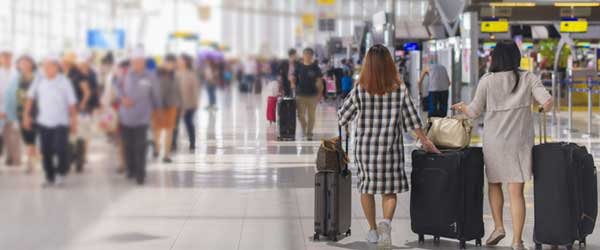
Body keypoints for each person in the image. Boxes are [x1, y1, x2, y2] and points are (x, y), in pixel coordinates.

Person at [451, 41, 553, 250]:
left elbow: (474, 112)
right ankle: (517, 241)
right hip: (520, 143)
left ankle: (498, 227)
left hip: (495, 142)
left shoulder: (487, 80)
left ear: (495, 58)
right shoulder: (528, 78)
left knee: (494, 184)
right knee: (516, 192)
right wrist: (538, 108)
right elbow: (547, 101)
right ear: (516, 58)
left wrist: (462, 107)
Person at [338, 44, 440, 248]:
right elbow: (413, 120)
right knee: (389, 191)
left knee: (367, 189)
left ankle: (373, 230)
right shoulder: (399, 88)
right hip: (390, 149)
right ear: (389, 64)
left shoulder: (360, 88)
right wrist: (425, 141)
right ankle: (386, 224)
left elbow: (343, 116)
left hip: (365, 149)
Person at [23, 55, 78, 187]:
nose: (46, 68)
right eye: (44, 66)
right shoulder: (39, 80)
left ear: (56, 67)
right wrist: (26, 116)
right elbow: (30, 98)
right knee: (45, 151)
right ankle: (49, 176)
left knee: (60, 149)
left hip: (61, 122)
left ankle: (60, 174)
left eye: (49, 66)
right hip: (43, 122)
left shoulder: (64, 81)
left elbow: (71, 104)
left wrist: (74, 121)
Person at [116, 48, 161, 184]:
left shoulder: (151, 76)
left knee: (141, 145)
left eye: (140, 61)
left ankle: (141, 173)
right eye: (135, 61)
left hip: (143, 117)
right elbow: (117, 87)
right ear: (131, 62)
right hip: (126, 117)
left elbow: (156, 95)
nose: (137, 63)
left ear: (144, 62)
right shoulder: (125, 74)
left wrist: (158, 111)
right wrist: (122, 99)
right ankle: (131, 169)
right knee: (128, 145)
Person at [6, 55, 38, 173]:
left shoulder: (37, 78)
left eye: (26, 62)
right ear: (18, 65)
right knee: (26, 136)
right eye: (21, 63)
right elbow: (10, 96)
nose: (24, 65)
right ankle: (31, 160)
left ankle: (31, 161)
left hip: (35, 112)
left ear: (31, 64)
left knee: (33, 135)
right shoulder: (16, 79)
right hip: (20, 112)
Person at [152, 54, 181, 163]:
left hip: (171, 106)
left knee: (170, 130)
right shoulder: (156, 74)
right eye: (169, 63)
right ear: (164, 63)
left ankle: (166, 155)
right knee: (157, 130)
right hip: (157, 107)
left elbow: (178, 91)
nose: (171, 65)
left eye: (173, 63)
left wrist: (180, 105)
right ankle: (156, 147)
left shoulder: (175, 75)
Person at [292, 47, 323, 140]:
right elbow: (293, 77)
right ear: (303, 55)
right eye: (306, 54)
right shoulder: (299, 67)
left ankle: (309, 132)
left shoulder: (315, 67)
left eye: (309, 55)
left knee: (311, 116)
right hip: (300, 95)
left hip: (312, 95)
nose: (307, 56)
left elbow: (319, 81)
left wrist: (319, 94)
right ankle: (304, 128)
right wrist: (292, 83)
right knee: (300, 115)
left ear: (312, 56)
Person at [0, 48, 21, 166]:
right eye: (4, 57)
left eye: (9, 57)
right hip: (1, 108)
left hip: (14, 109)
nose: (7, 59)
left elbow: (19, 91)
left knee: (15, 134)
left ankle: (16, 158)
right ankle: (9, 156)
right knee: (5, 134)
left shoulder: (16, 73)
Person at [176, 54, 200, 151]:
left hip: (189, 103)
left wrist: (195, 102)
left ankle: (192, 142)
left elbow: (195, 89)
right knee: (174, 124)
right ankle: (173, 143)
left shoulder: (191, 74)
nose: (178, 61)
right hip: (176, 103)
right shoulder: (175, 73)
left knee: (189, 122)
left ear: (185, 61)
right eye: (178, 60)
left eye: (180, 60)